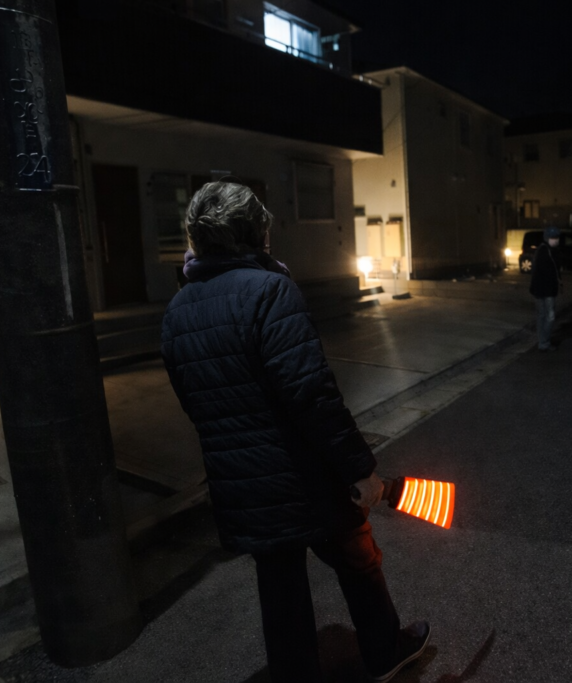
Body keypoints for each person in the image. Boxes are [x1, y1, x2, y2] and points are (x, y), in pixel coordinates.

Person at [160, 182, 429, 683]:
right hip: (304, 475)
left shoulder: (178, 310)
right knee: (358, 558)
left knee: (280, 589)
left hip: (242, 482)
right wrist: (360, 469)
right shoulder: (269, 290)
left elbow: (194, 403)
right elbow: (311, 394)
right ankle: (385, 651)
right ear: (253, 234)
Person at [529, 226, 562, 351]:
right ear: (547, 238)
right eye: (553, 237)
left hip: (543, 289)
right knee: (548, 316)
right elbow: (544, 272)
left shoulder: (550, 250)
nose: (556, 240)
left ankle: (543, 342)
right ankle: (544, 342)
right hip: (545, 290)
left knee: (543, 316)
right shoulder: (544, 251)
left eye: (557, 237)